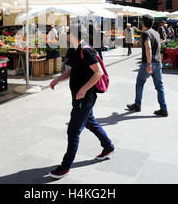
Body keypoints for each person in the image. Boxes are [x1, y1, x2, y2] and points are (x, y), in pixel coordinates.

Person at [49, 24, 115, 179]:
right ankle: (108, 147)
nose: (65, 35)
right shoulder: (74, 50)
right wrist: (58, 79)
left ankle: (65, 167)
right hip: (78, 97)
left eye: (67, 33)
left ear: (73, 35)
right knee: (90, 122)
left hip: (85, 98)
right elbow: (72, 69)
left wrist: (84, 89)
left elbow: (98, 72)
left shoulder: (86, 50)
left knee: (73, 131)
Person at [127, 15, 168, 117]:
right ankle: (164, 109)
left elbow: (148, 48)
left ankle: (137, 105)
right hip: (158, 62)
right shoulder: (156, 33)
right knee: (159, 87)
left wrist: (149, 64)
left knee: (139, 83)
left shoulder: (146, 33)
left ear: (144, 23)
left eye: (141, 22)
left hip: (148, 63)